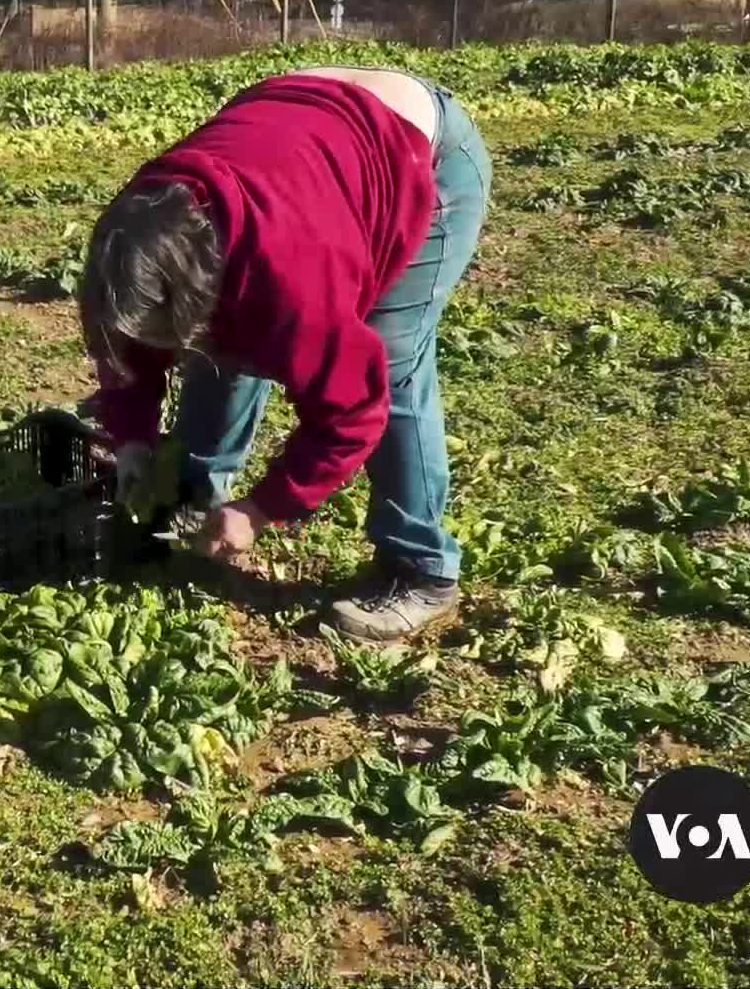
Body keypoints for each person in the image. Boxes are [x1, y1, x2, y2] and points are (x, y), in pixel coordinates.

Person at [78, 66, 492, 644]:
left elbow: (351, 413)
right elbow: (127, 342)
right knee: (215, 338)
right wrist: (132, 439)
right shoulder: (138, 232)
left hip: (422, 151)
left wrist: (264, 509)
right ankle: (198, 495)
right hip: (304, 125)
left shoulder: (295, 280)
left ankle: (420, 566)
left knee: (394, 365)